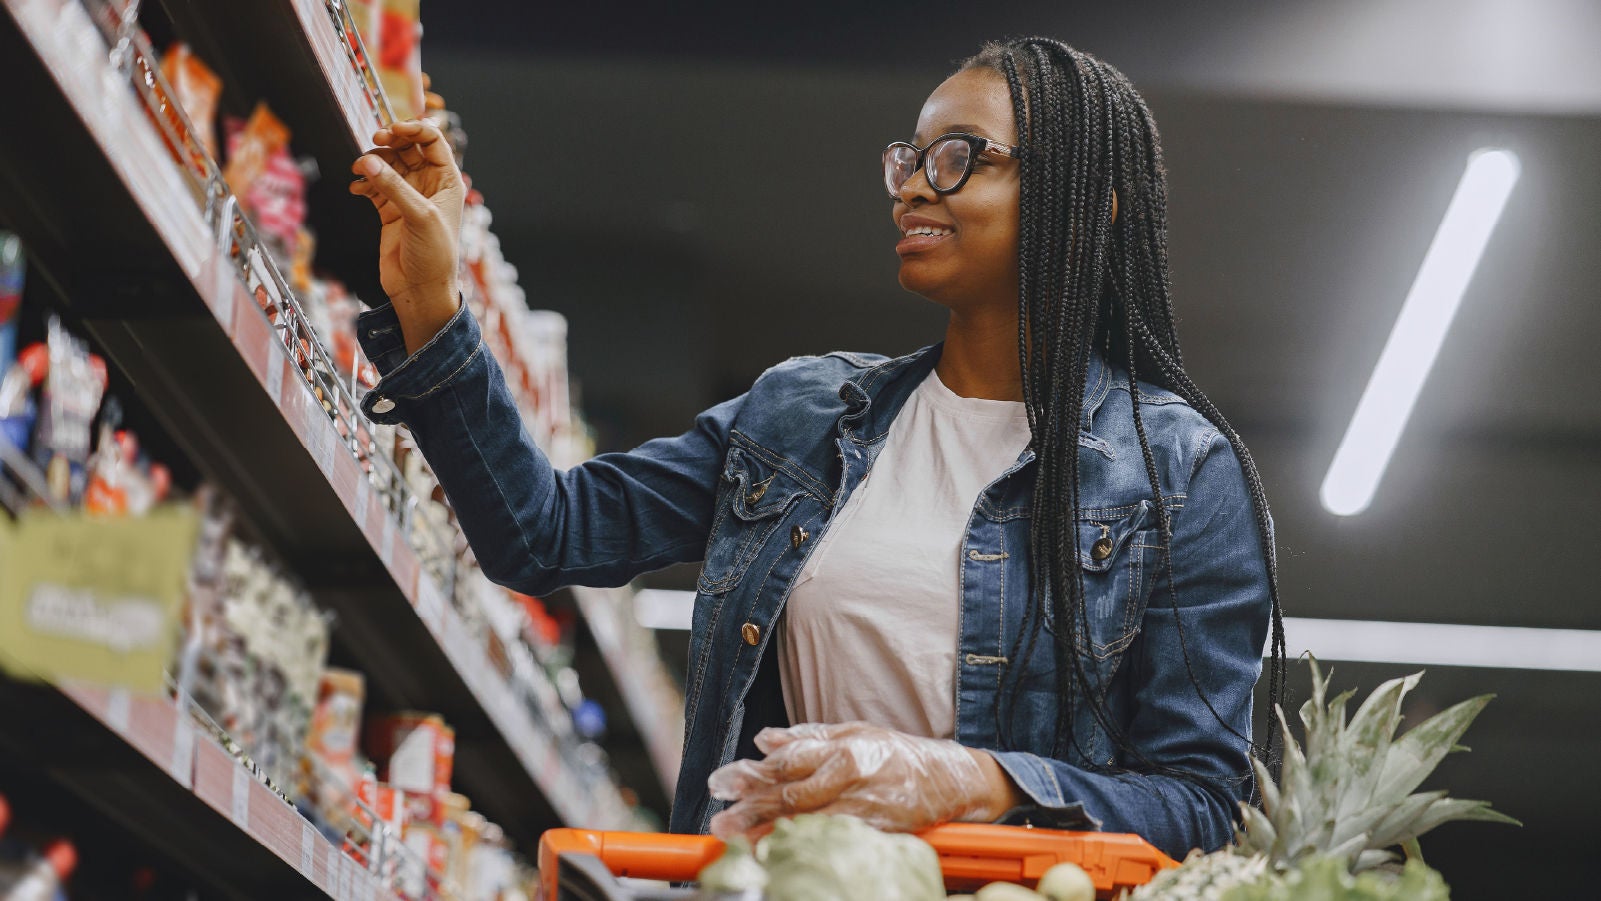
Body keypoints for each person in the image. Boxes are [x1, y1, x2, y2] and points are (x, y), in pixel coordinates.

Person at [347, 36, 1286, 860]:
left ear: (1090, 204)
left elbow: (1199, 803)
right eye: (910, 157)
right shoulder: (800, 415)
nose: (917, 183)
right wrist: (431, 303)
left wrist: (973, 782)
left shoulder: (1177, 473)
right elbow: (542, 533)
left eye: (961, 158)